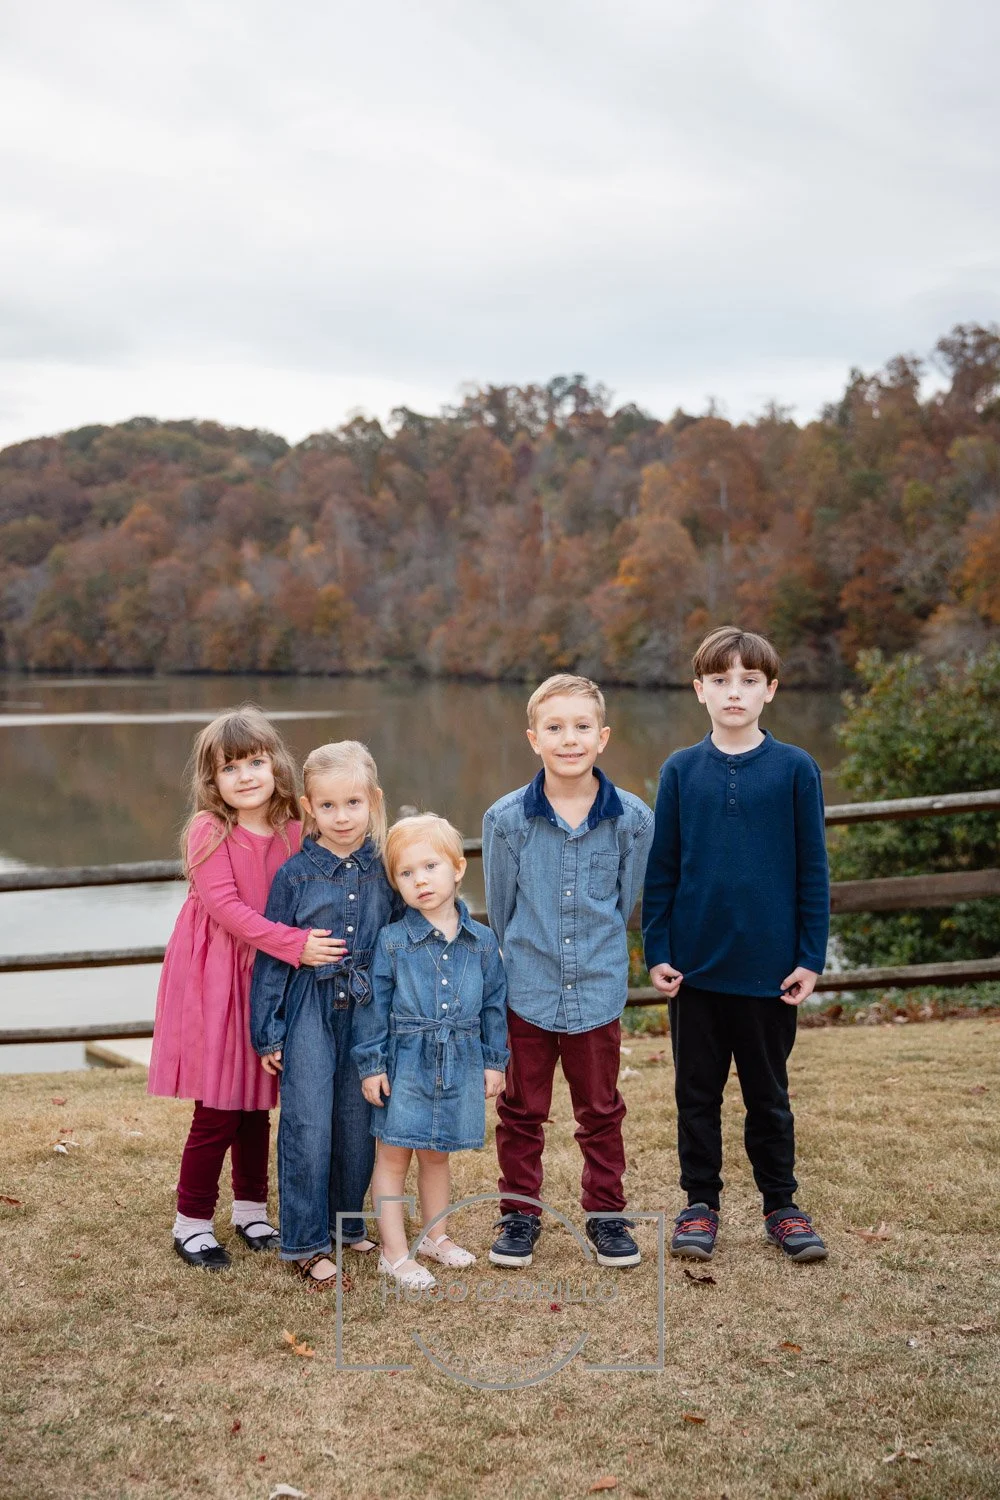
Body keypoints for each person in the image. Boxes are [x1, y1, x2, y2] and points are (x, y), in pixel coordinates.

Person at [642, 625, 831, 1263]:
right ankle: (700, 1204)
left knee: (767, 1097)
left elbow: (813, 870)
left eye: (749, 680)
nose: (734, 692)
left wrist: (810, 956)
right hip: (694, 972)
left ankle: (781, 1205)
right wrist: (658, 949)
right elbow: (663, 869)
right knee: (696, 1096)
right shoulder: (680, 770)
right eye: (720, 680)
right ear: (700, 690)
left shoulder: (796, 770)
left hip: (770, 972)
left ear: (769, 690)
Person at [148, 706, 342, 1271]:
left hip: (270, 978)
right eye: (230, 768)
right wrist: (294, 943)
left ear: (275, 765)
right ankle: (192, 1223)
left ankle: (253, 1211)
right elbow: (226, 908)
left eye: (255, 762)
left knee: (258, 1104)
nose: (246, 776)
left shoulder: (293, 829)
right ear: (213, 781)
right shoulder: (210, 830)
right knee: (219, 1108)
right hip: (217, 975)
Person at [482, 674, 654, 1270]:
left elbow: (627, 899)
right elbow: (501, 913)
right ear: (534, 738)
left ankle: (607, 1217)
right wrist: (522, 965)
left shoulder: (631, 818)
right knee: (521, 1112)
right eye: (555, 727)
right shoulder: (506, 820)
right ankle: (519, 1217)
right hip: (526, 991)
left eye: (582, 726)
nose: (569, 738)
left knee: (601, 1111)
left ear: (602, 737)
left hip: (599, 992)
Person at [249, 741, 399, 1291]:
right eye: (329, 806)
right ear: (309, 807)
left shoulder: (387, 865)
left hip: (367, 1008)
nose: (342, 817)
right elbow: (273, 955)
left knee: (358, 1122)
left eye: (353, 803)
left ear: (373, 801)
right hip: (309, 1006)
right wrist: (268, 1030)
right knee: (308, 1123)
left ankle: (346, 1221)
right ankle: (305, 1243)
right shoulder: (294, 875)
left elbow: (407, 935)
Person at [352, 815, 509, 1291]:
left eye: (430, 866)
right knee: (394, 1156)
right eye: (406, 872)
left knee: (438, 1154)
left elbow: (493, 1004)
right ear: (395, 882)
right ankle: (395, 1254)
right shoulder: (392, 942)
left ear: (458, 868)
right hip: (405, 1061)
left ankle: (434, 1237)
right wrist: (373, 1065)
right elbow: (373, 1008)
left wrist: (492, 1060)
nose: (420, 880)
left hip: (458, 1058)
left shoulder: (482, 943)